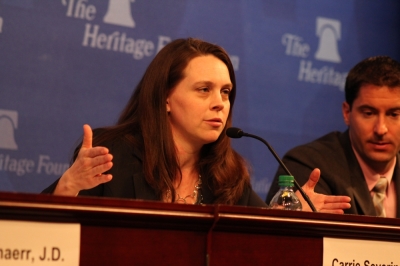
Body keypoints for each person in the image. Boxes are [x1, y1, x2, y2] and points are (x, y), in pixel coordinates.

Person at [43, 38, 349, 212]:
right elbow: (42, 237)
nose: (220, 103)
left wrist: (289, 216)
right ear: (165, 98)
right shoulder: (113, 155)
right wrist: (69, 188)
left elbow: (255, 236)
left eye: (226, 92)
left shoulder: (229, 175)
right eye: (204, 90)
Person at [266, 56, 400, 218]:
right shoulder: (308, 166)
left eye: (394, 114)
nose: (381, 129)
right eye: (368, 113)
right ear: (347, 113)